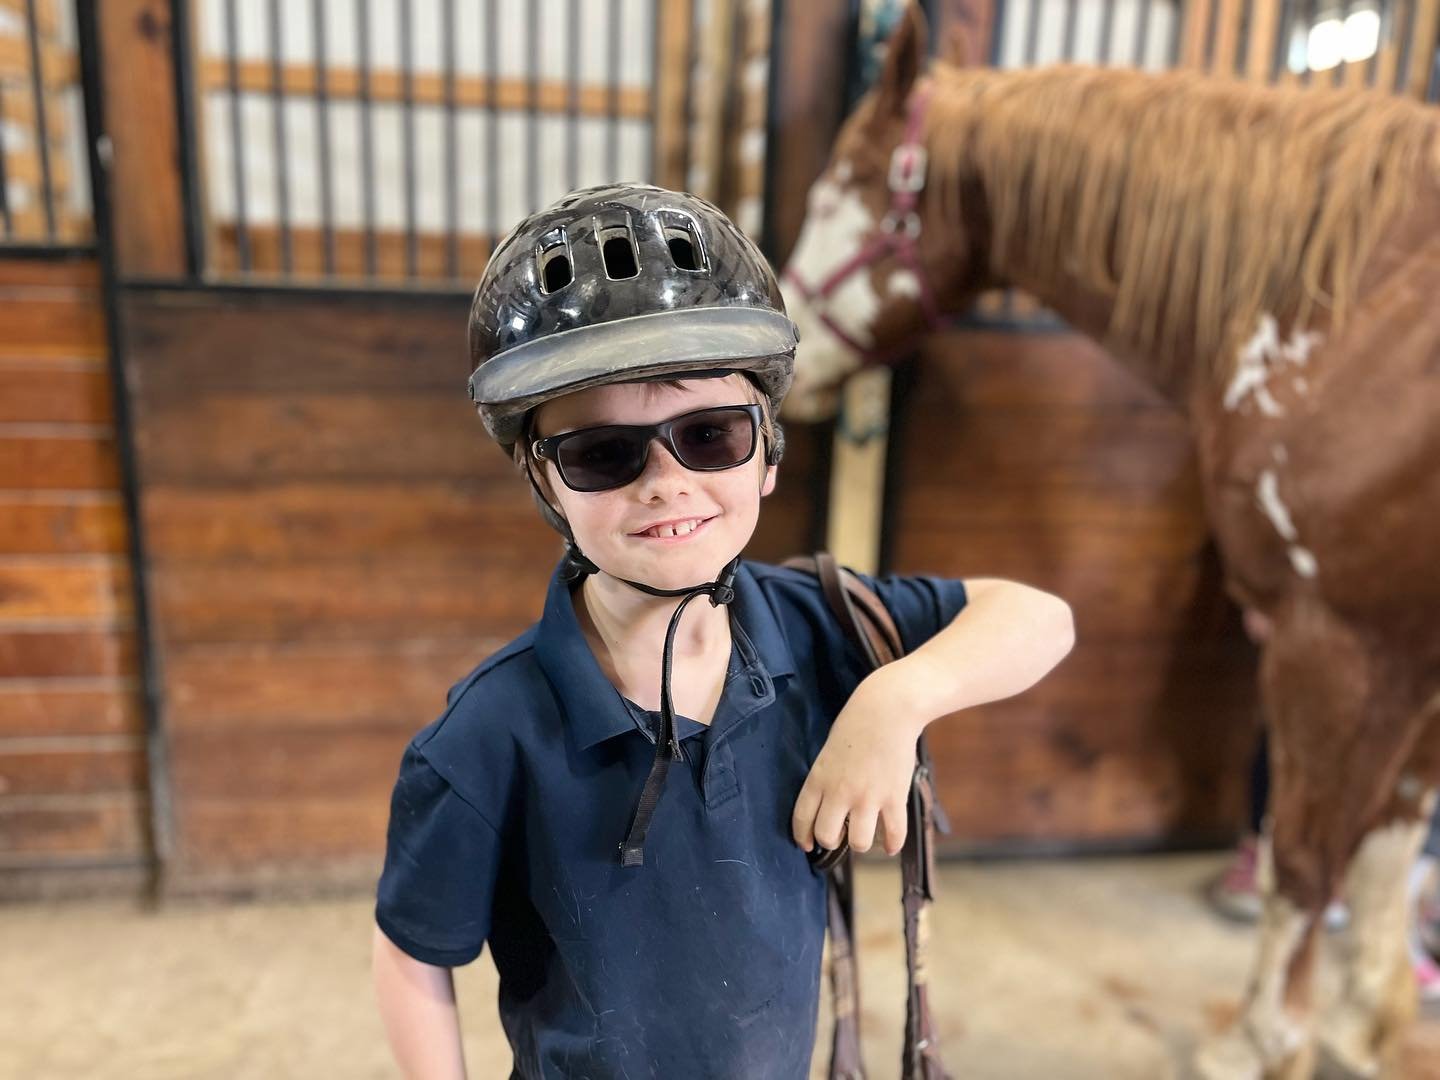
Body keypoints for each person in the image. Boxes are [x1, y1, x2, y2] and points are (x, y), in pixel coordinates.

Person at [370, 184, 1076, 1079]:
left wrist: (897, 700)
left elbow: (1038, 618)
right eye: (602, 454)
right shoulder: (483, 737)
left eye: (708, 436)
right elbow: (413, 953)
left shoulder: (820, 624)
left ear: (768, 450)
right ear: (547, 485)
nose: (665, 482)